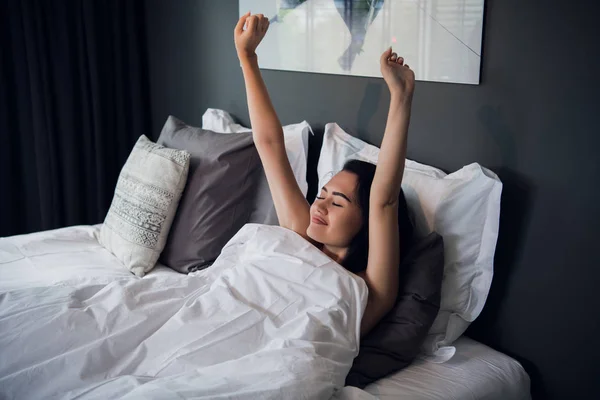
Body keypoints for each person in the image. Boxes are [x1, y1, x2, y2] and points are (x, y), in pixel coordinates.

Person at [234, 12, 415, 337]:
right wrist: (248, 58)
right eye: (322, 195)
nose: (318, 207)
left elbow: (384, 200)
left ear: (367, 223)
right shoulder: (299, 236)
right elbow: (270, 145)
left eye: (338, 202)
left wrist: (400, 96)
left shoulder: (372, 288)